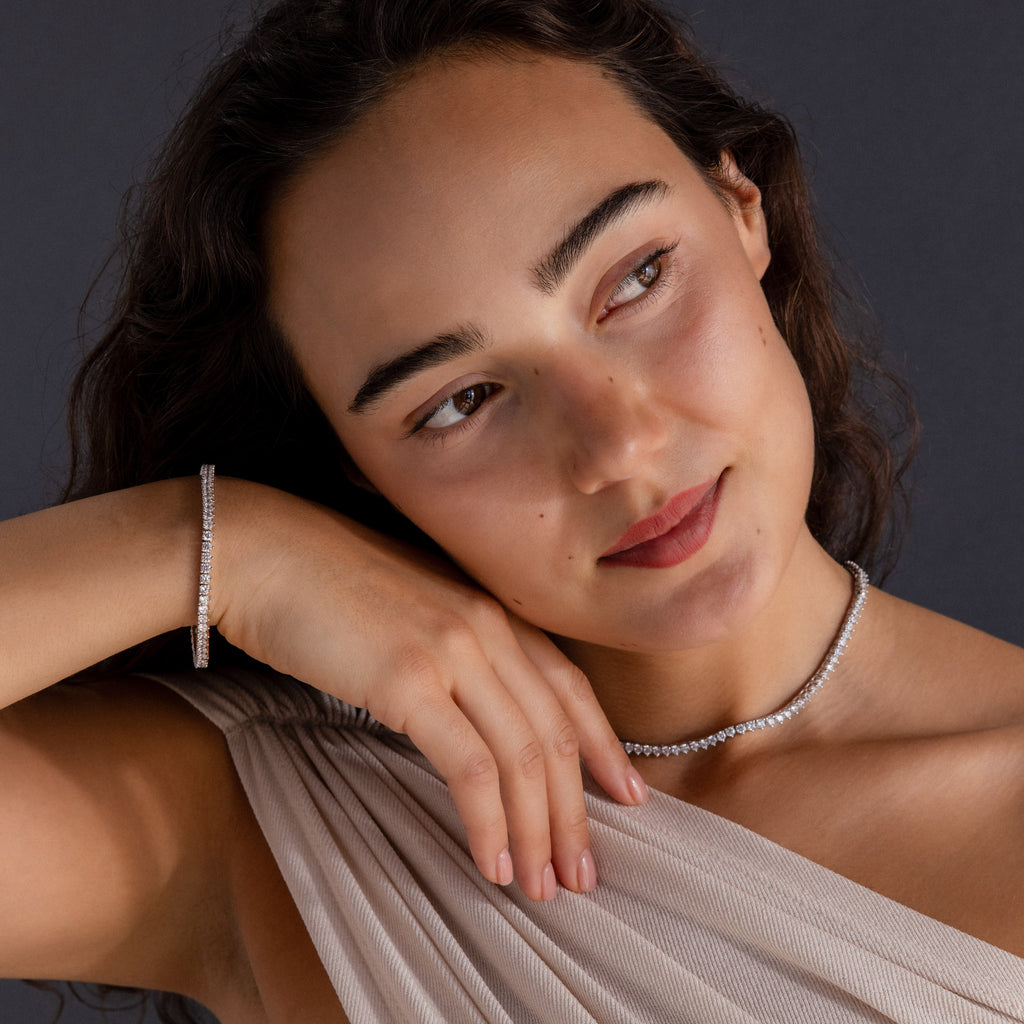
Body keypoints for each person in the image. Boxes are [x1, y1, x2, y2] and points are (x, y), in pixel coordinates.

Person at [2, 0, 1022, 1021]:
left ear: (740, 206)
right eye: (458, 401)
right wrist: (220, 549)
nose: (616, 447)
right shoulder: (272, 828)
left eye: (636, 279)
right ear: (354, 465)